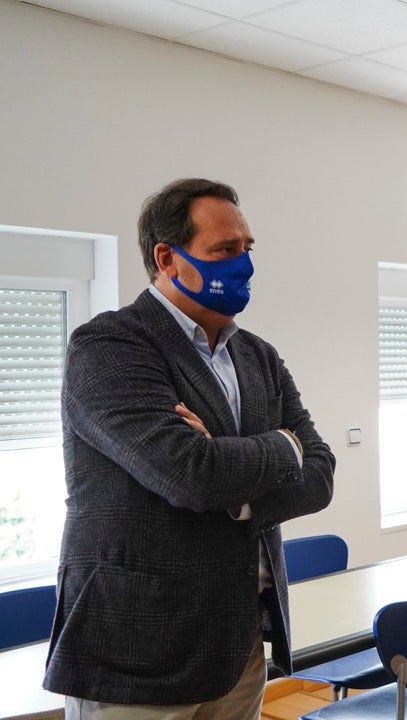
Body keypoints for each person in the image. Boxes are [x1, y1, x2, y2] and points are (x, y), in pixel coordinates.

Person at [45, 178, 336, 719]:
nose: (243, 265)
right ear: (167, 257)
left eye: (247, 249)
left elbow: (320, 474)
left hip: (238, 640)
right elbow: (190, 473)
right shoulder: (110, 345)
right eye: (225, 250)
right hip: (137, 651)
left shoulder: (258, 356)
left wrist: (235, 482)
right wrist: (280, 447)